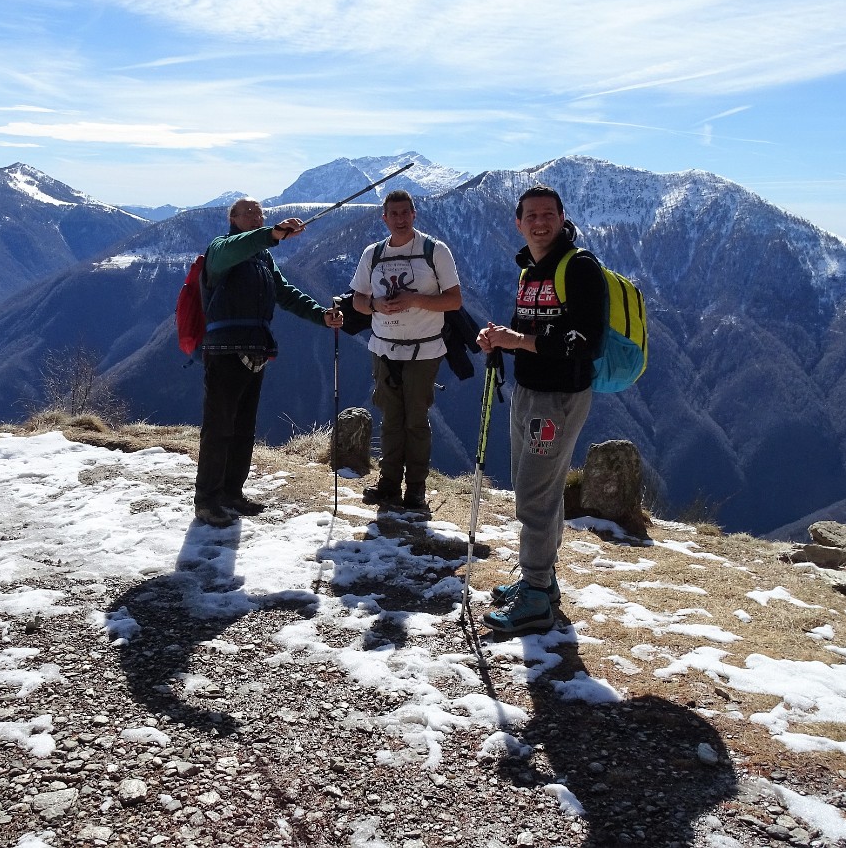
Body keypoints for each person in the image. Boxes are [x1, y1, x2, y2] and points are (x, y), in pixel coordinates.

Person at [476, 185, 606, 633]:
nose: (539, 221)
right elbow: (526, 329)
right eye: (530, 215)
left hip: (559, 397)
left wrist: (520, 342)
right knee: (534, 489)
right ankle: (542, 582)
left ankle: (534, 593)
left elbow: (586, 343)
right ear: (518, 221)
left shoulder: (580, 267)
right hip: (529, 393)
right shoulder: (529, 270)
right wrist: (500, 338)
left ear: (562, 216)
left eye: (547, 214)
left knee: (534, 494)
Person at [194, 198, 344, 528]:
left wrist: (321, 316)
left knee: (243, 428)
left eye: (260, 213)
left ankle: (232, 492)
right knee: (220, 427)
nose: (256, 216)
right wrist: (271, 234)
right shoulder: (221, 249)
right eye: (248, 212)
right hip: (224, 351)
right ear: (231, 218)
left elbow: (286, 293)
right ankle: (206, 500)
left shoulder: (262, 259)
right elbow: (237, 247)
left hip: (255, 351)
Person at [350, 189, 462, 513]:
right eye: (393, 214)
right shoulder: (372, 254)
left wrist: (414, 300)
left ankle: (414, 489)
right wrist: (375, 305)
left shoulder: (434, 251)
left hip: (424, 350)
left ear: (414, 214)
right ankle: (388, 484)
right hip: (384, 349)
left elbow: (454, 300)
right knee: (390, 419)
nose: (399, 219)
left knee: (415, 419)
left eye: (405, 213)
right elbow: (358, 299)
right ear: (384, 218)